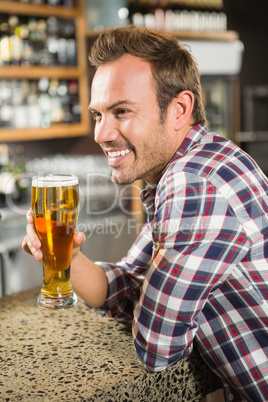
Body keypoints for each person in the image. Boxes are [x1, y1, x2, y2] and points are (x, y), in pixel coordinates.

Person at [22, 25, 268, 401]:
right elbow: (126, 283)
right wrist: (67, 254)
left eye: (121, 111)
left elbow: (157, 348)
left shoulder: (194, 182)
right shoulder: (189, 166)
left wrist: (148, 301)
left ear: (179, 109)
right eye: (98, 114)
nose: (101, 134)